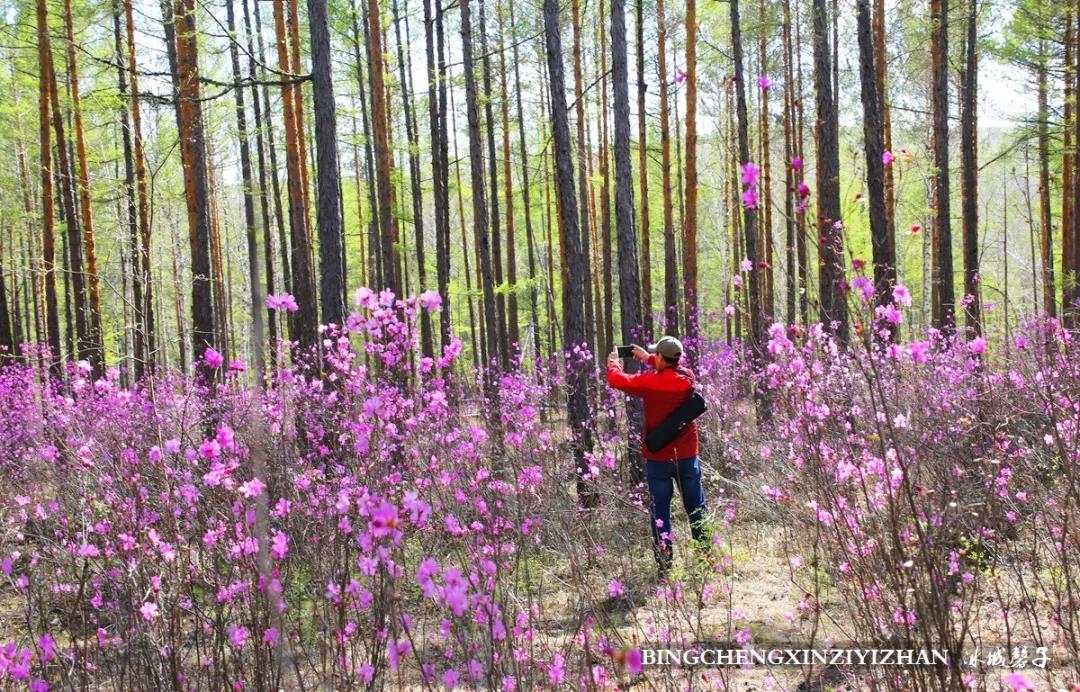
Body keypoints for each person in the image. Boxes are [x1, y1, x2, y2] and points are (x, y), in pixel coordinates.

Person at [606, 336, 708, 576]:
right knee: (696, 507)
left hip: (659, 458)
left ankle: (665, 567)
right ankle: (706, 560)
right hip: (687, 456)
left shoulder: (651, 382)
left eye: (656, 355)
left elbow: (617, 380)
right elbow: (671, 372)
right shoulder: (688, 378)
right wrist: (648, 357)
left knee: (661, 512)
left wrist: (613, 362)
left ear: (662, 358)